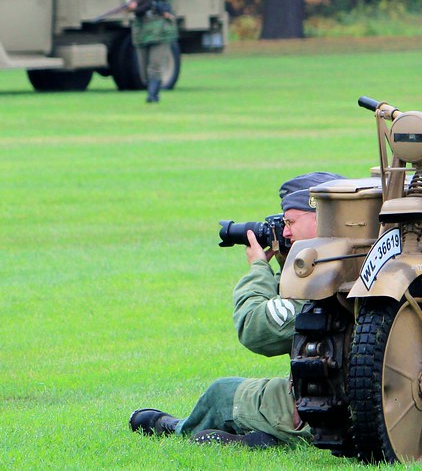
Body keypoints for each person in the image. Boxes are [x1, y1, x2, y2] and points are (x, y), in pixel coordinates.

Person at [129, 172, 344, 448]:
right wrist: (288, 265)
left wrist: (258, 269)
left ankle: (177, 428)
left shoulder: (322, 280)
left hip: (332, 409)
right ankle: (261, 438)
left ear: (320, 215)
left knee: (221, 394)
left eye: (290, 222)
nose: (286, 231)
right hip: (380, 402)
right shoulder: (365, 258)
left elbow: (255, 328)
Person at [128, 0, 177, 103]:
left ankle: (152, 96)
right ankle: (151, 91)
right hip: (142, 32)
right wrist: (131, 4)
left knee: (154, 66)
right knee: (143, 71)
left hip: (160, 31)